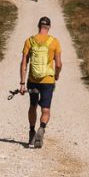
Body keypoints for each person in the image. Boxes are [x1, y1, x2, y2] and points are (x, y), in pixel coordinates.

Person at [18, 16, 62, 148]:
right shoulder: (54, 42)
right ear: (48, 27)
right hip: (48, 80)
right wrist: (56, 75)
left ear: (38, 26)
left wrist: (22, 83)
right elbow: (58, 64)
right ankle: (41, 129)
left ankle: (31, 131)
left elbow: (24, 63)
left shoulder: (29, 41)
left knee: (33, 106)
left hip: (33, 80)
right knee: (46, 110)